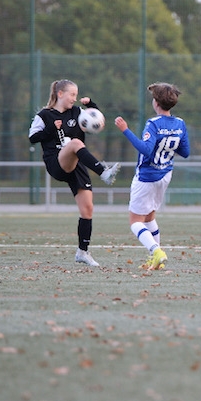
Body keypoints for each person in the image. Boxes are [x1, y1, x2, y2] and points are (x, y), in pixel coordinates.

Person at [28, 79, 120, 267]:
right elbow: (33, 137)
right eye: (72, 94)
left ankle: (82, 252)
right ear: (60, 94)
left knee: (87, 209)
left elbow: (98, 122)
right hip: (56, 162)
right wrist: (51, 129)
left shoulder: (77, 112)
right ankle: (103, 171)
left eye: (76, 95)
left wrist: (91, 105)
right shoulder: (44, 115)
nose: (74, 98)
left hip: (77, 163)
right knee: (77, 143)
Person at [114, 82, 190, 270]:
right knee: (149, 217)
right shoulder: (180, 123)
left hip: (147, 176)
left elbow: (146, 150)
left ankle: (156, 250)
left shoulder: (153, 123)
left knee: (135, 221)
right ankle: (155, 260)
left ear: (156, 103)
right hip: (165, 175)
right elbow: (185, 152)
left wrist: (125, 130)